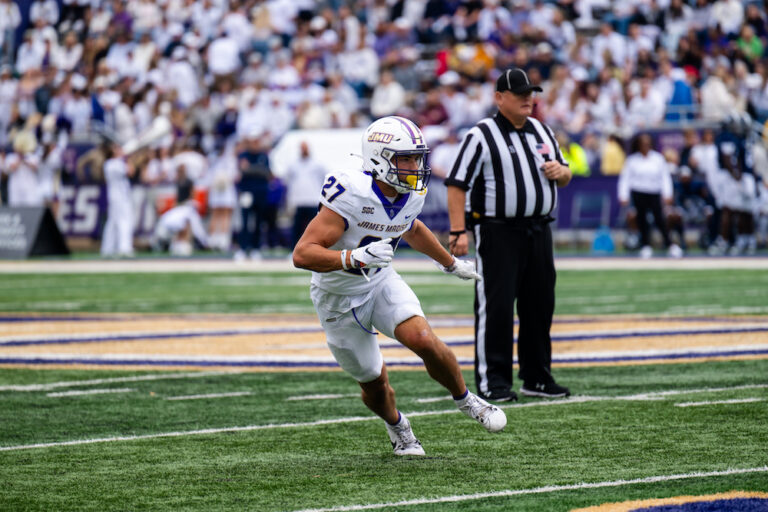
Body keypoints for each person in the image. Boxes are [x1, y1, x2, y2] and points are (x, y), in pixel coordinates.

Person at [293, 116, 506, 456]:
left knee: (423, 338)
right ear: (379, 157)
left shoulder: (411, 193)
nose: (414, 166)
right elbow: (302, 254)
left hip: (379, 282)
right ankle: (398, 427)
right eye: (405, 158)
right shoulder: (350, 192)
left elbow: (411, 227)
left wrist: (449, 264)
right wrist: (353, 257)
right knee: (374, 382)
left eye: (416, 157)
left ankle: (467, 400)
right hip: (336, 298)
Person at [445, 67, 572, 402]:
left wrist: (563, 172)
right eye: (520, 94)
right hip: (498, 231)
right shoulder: (481, 135)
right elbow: (457, 184)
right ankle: (493, 381)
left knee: (539, 305)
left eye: (530, 93)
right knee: (496, 306)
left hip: (539, 229)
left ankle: (537, 376)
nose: (528, 99)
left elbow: (564, 173)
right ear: (499, 98)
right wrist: (458, 230)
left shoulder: (542, 131)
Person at [618, 133, 683, 259]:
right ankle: (645, 246)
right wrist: (623, 194)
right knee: (642, 220)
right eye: (642, 143)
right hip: (638, 192)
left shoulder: (658, 159)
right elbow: (625, 178)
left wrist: (667, 193)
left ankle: (670, 244)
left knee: (659, 219)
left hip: (654, 192)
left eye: (647, 143)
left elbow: (665, 177)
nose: (645, 146)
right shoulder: (632, 160)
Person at [283, 140, 327, 248]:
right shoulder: (293, 165)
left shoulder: (317, 165)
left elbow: (325, 179)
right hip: (298, 201)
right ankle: (294, 248)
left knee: (314, 228)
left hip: (313, 200)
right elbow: (287, 180)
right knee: (296, 228)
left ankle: (315, 248)